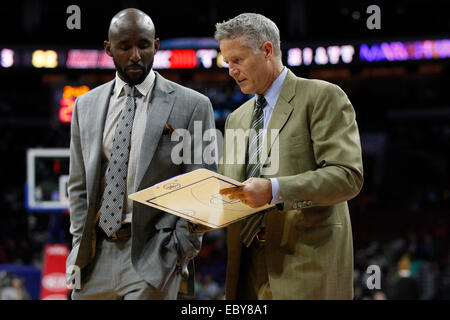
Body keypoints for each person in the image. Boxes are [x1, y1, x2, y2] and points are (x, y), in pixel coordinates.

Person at [66, 8, 217, 300]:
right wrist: (77, 246)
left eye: (143, 46)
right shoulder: (85, 106)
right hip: (94, 256)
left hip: (153, 255)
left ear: (156, 45)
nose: (135, 55)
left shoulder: (193, 105)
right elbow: (78, 186)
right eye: (125, 47)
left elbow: (203, 188)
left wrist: (178, 250)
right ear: (109, 49)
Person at [215, 13, 363, 299]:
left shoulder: (322, 96)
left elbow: (348, 176)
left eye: (238, 60)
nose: (231, 70)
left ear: (267, 50)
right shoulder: (236, 119)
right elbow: (231, 192)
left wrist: (275, 190)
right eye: (227, 62)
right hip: (246, 267)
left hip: (306, 263)